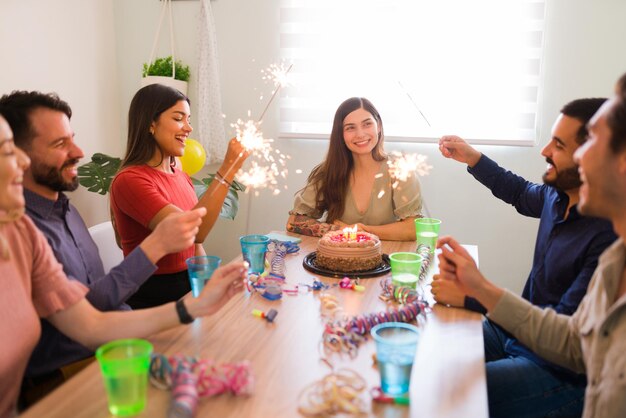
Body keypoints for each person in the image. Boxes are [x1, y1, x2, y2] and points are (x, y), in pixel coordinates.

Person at [0, 113, 246, 417]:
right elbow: (92, 312)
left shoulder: (26, 228)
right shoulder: (130, 180)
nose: (78, 152)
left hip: (122, 339)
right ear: (151, 123)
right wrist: (158, 247)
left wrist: (194, 305)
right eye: (7, 151)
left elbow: (90, 322)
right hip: (76, 370)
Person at [435, 72, 626, 418]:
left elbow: (567, 344)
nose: (545, 151)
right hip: (521, 335)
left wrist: (478, 293)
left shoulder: (606, 239)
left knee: (451, 387)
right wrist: (473, 158)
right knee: (438, 347)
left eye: (563, 146)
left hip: (556, 369)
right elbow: (521, 193)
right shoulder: (557, 198)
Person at [110, 84, 249, 309]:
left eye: (189, 119)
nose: (188, 128)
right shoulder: (130, 181)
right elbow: (193, 232)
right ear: (151, 124)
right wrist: (229, 168)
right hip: (154, 298)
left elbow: (195, 247)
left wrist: (209, 282)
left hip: (186, 287)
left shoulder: (179, 174)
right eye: (178, 118)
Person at [286, 97, 422, 241]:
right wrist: (338, 230)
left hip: (385, 259)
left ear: (379, 126)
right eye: (350, 128)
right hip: (339, 257)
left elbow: (413, 228)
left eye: (367, 124)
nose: (360, 134)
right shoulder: (327, 172)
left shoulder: (400, 170)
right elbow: (294, 222)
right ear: (341, 134)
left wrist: (362, 231)